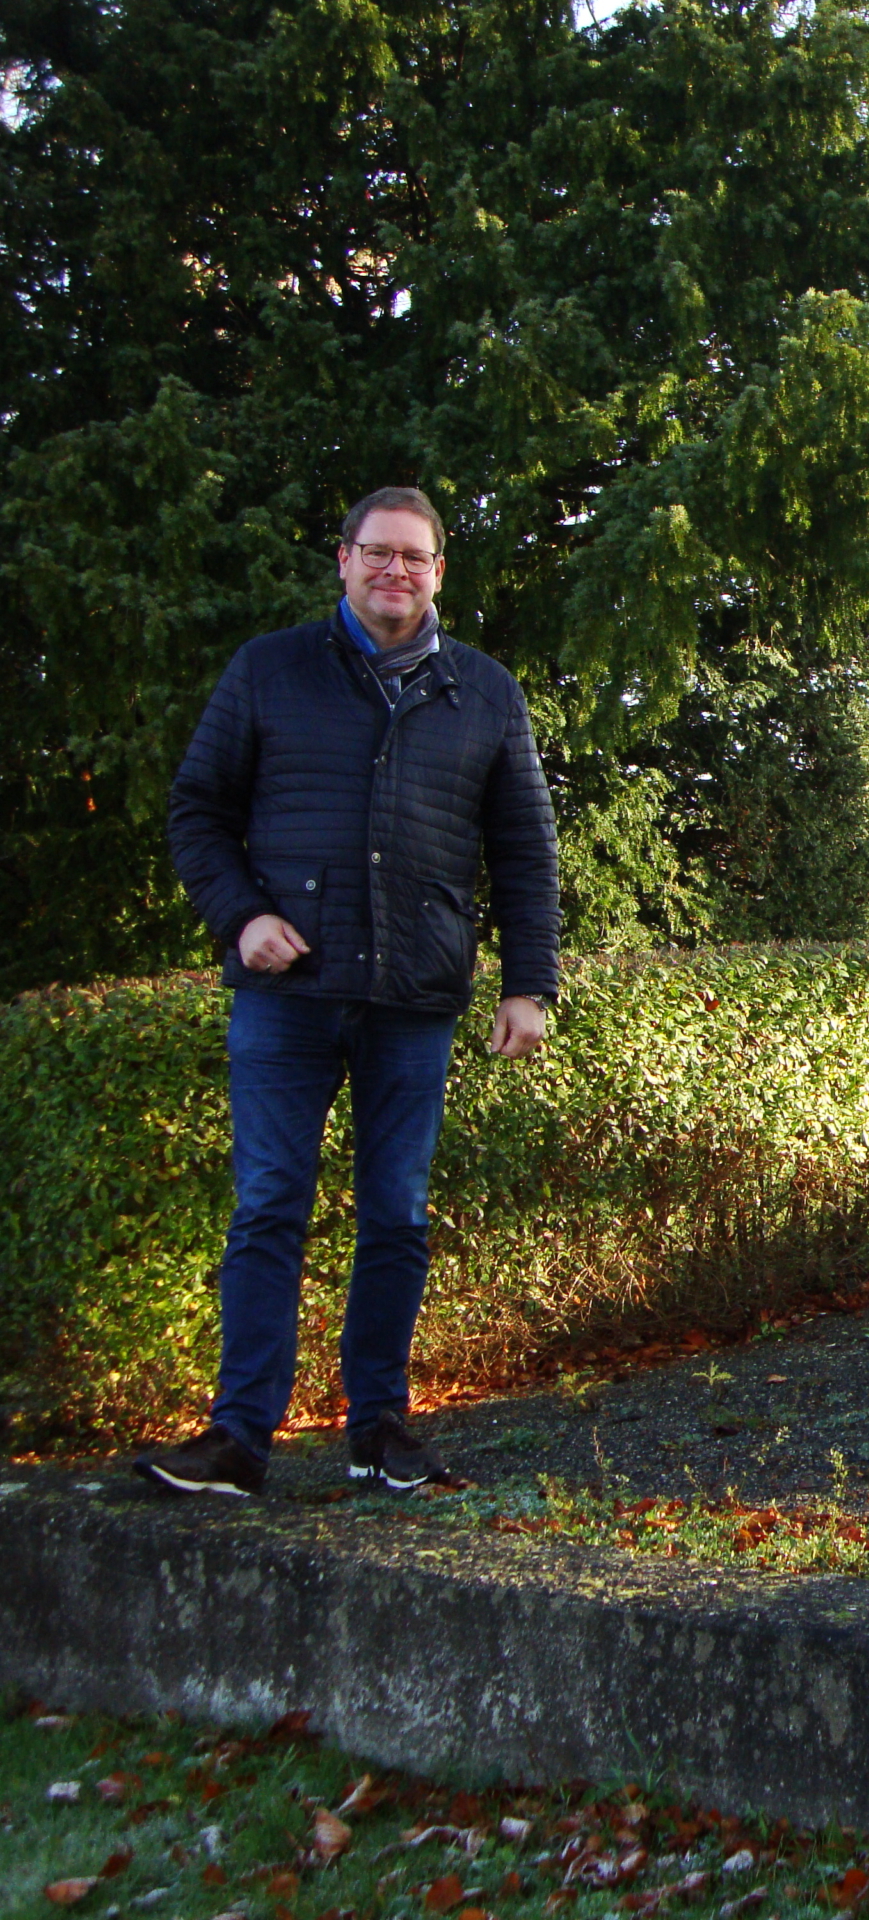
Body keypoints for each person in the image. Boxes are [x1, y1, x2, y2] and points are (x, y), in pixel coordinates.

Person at [137, 487, 560, 1498]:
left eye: (415, 558)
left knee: (397, 1216)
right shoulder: (268, 670)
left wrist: (528, 986)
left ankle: (379, 1433)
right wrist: (241, 916)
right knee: (270, 1207)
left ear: (439, 572)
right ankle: (240, 1442)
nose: (395, 572)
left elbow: (525, 855)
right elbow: (197, 810)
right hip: (287, 996)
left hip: (414, 1001)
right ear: (342, 559)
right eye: (378, 553)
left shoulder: (487, 693)